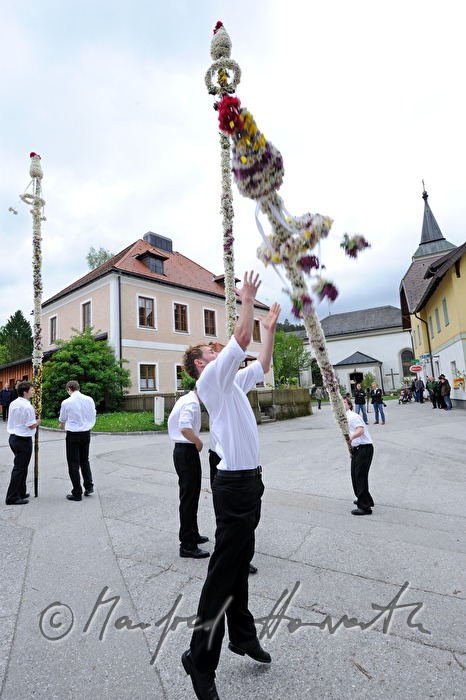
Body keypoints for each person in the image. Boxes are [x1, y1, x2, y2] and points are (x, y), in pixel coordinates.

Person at [181, 272, 280, 700]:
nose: (218, 347)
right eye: (212, 348)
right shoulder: (209, 382)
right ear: (202, 363)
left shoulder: (233, 383)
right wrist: (247, 301)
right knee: (222, 574)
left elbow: (261, 365)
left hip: (250, 483)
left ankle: (241, 634)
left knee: (239, 561)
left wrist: (269, 331)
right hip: (233, 486)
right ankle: (199, 660)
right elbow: (239, 336)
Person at [168, 388, 209, 559]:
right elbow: (184, 427)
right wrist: (198, 442)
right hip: (186, 451)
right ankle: (187, 544)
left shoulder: (186, 398)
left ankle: (193, 533)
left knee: (190, 496)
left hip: (182, 451)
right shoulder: (191, 403)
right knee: (189, 498)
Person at [59, 380, 96, 501]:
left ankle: (77, 491)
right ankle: (89, 485)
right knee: (84, 460)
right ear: (78, 388)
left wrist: (62, 424)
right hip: (86, 432)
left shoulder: (66, 402)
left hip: (73, 434)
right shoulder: (89, 399)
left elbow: (63, 418)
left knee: (73, 462)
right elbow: (93, 414)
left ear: (69, 389)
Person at [5, 380, 40, 505]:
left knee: (22, 466)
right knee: (20, 468)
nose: (33, 392)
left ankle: (21, 491)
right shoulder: (27, 406)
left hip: (14, 437)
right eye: (31, 390)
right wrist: (37, 422)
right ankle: (12, 496)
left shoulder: (14, 403)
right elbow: (31, 425)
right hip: (23, 439)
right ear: (25, 392)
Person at [344, 396, 374, 516]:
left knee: (360, 477)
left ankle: (365, 507)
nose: (342, 405)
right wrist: (350, 450)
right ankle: (365, 499)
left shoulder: (352, 416)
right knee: (355, 476)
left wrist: (351, 438)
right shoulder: (344, 419)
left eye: (344, 403)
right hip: (357, 449)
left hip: (364, 448)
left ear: (349, 405)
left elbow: (360, 430)